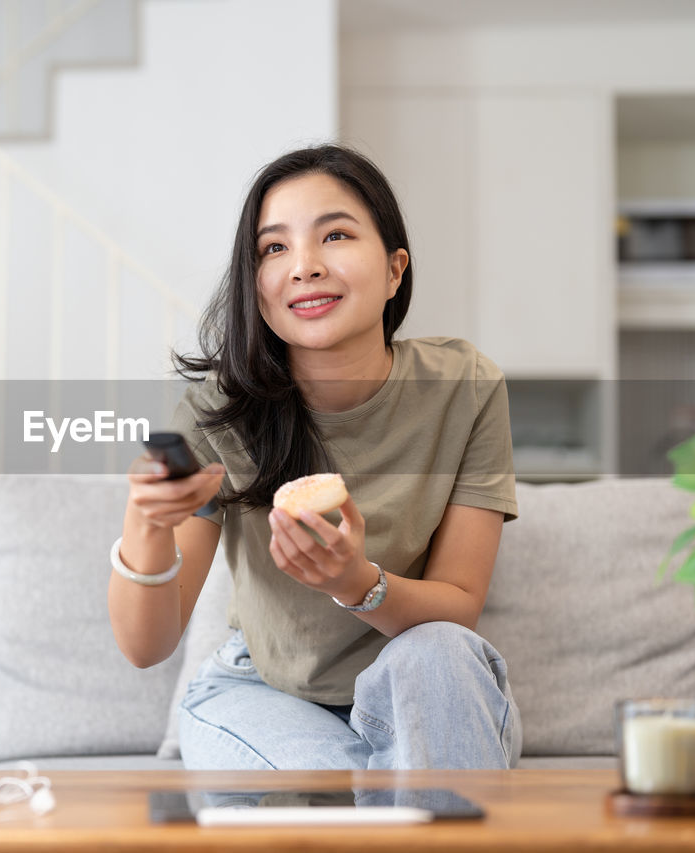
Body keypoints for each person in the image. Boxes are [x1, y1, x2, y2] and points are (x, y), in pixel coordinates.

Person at [107, 144, 521, 771]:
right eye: (274, 248)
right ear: (260, 289)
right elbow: (145, 647)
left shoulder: (464, 387)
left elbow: (459, 602)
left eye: (334, 235)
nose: (304, 266)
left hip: (421, 678)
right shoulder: (218, 413)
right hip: (262, 691)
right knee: (339, 790)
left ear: (394, 269)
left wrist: (354, 583)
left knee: (440, 650)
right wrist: (146, 524)